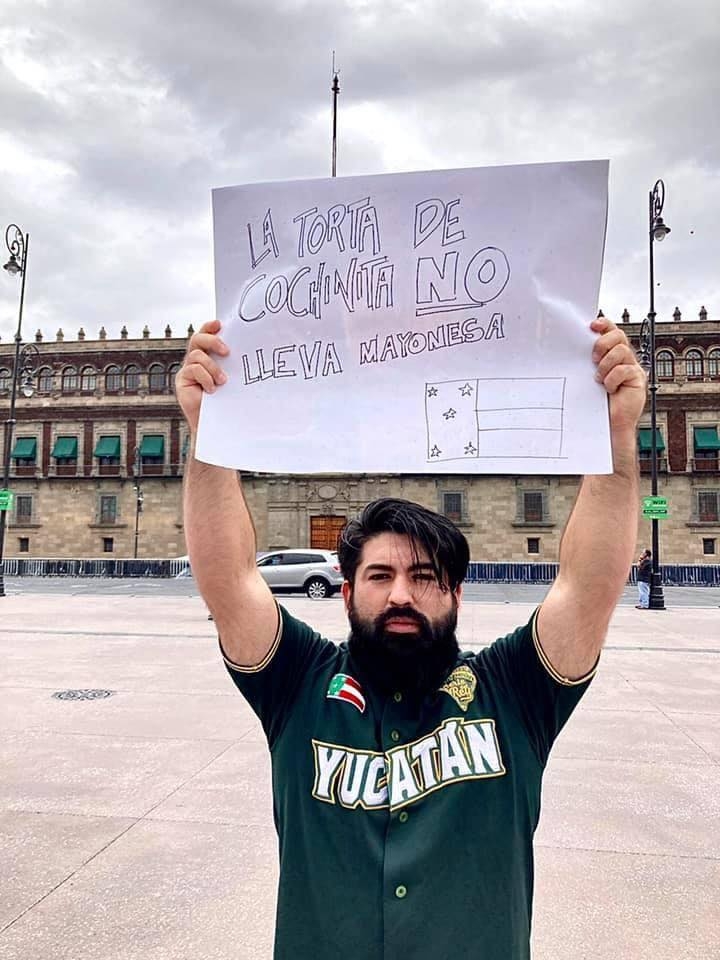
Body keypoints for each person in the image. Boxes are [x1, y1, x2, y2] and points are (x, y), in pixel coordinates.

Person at [175, 315, 646, 960]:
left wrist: (617, 440)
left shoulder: (513, 691)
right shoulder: (298, 683)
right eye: (379, 575)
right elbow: (230, 580)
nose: (401, 594)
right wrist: (208, 439)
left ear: (455, 593)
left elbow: (586, 588)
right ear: (345, 592)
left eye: (425, 576)